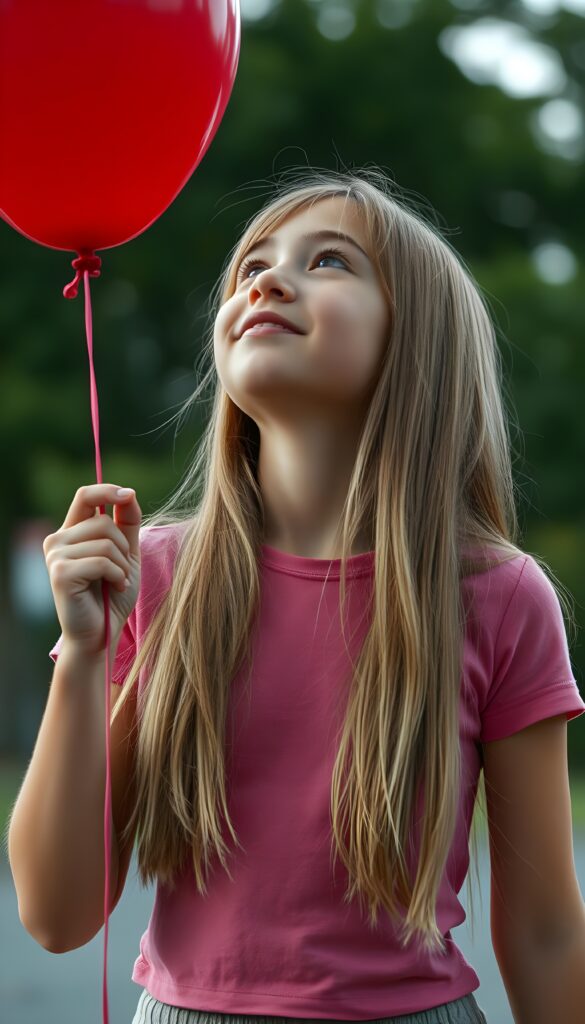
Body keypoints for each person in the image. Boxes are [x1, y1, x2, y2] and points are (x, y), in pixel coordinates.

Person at [8, 167, 585, 1024]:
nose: (266, 280)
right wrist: (85, 654)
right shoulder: (155, 577)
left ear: (415, 340)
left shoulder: (498, 597)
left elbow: (542, 930)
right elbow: (55, 917)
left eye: (329, 262)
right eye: (251, 267)